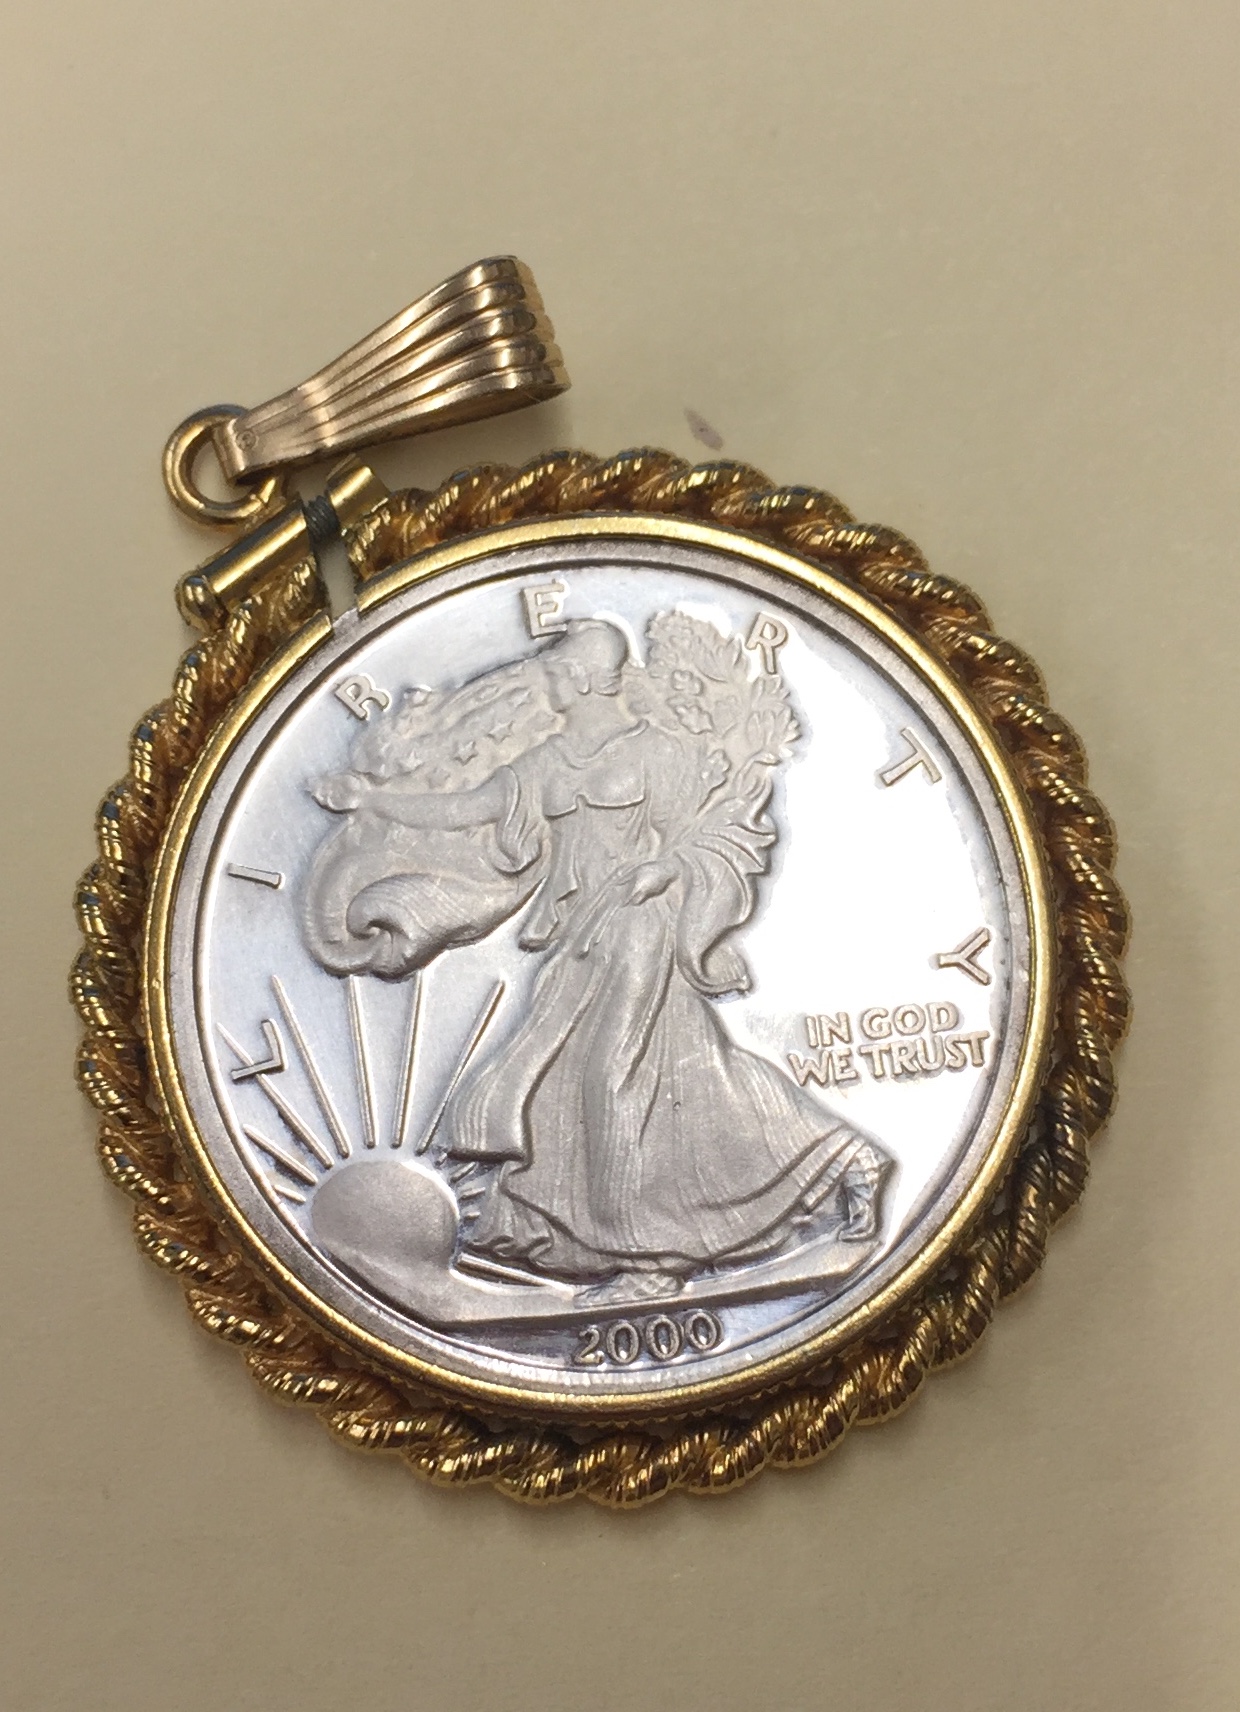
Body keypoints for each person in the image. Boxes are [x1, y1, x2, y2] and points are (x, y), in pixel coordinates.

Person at [312, 617, 889, 1294]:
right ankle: (844, 1161)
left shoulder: (660, 752)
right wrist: (374, 799)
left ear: (586, 679)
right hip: (580, 942)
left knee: (613, 1082)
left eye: (558, 671)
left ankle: (653, 1263)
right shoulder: (547, 762)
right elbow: (466, 809)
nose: (549, 681)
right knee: (643, 1085)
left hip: (642, 929)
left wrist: (667, 867)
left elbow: (720, 830)